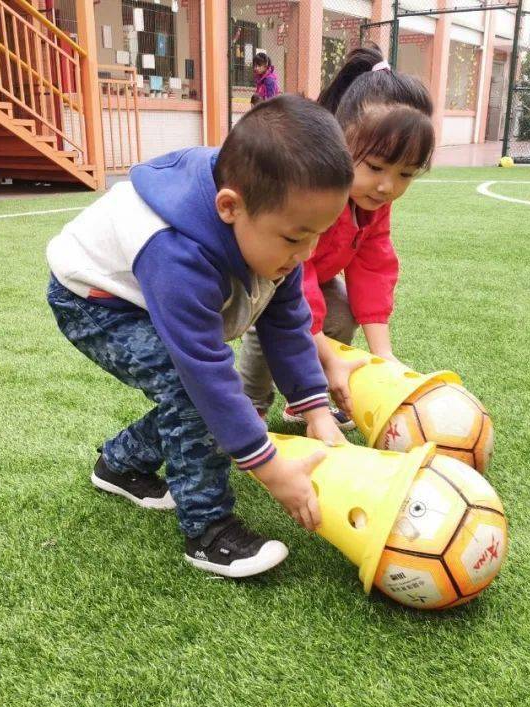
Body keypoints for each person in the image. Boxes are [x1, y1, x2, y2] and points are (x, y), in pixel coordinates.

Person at [45, 96, 354, 579]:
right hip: (94, 302)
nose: (307, 252)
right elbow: (205, 371)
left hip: (146, 289)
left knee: (191, 397)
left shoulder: (272, 213)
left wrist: (316, 411)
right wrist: (271, 472)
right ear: (229, 207)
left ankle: (121, 463)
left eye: (319, 234)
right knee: (193, 393)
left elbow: (287, 318)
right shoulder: (175, 251)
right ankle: (209, 533)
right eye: (297, 238)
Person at [240, 47, 435, 424]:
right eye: (376, 166)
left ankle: (304, 396)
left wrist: (385, 357)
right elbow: (299, 271)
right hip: (272, 276)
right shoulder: (312, 189)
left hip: (311, 279)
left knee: (342, 308)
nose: (386, 186)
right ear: (340, 144)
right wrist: (314, 340)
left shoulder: (373, 203)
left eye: (406, 174)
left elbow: (375, 265)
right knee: (272, 325)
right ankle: (252, 400)